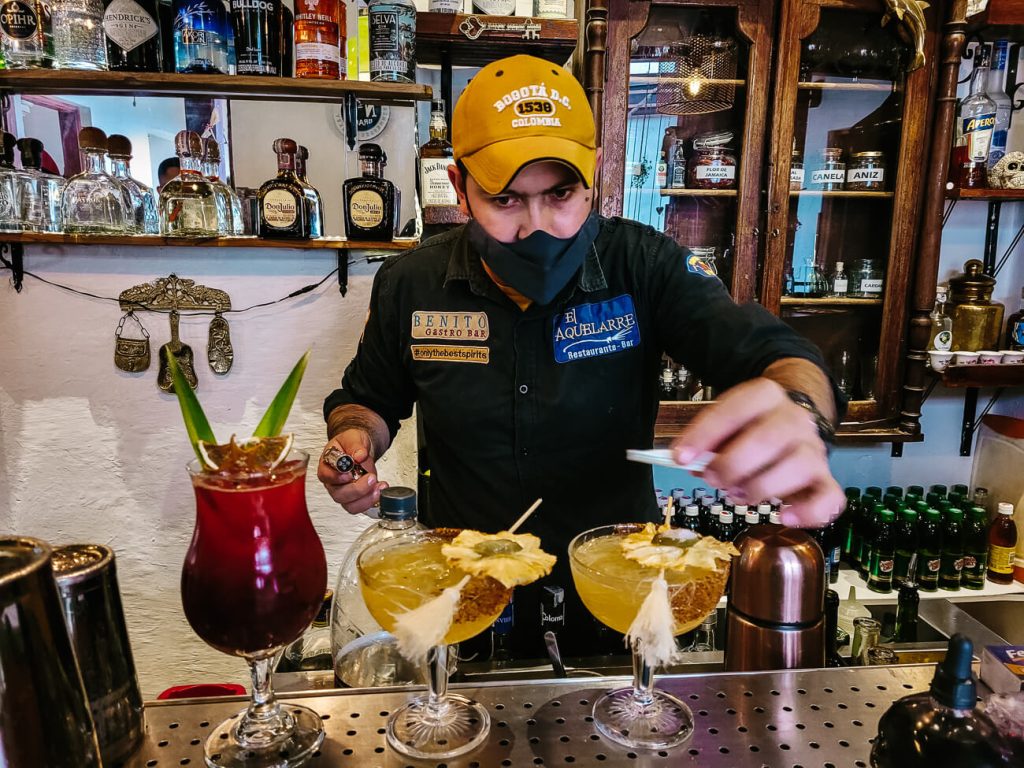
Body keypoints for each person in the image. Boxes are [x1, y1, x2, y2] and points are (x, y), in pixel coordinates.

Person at [320, 55, 845, 656]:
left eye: (562, 194)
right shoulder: (410, 283)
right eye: (506, 200)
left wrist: (799, 411)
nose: (538, 227)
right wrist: (354, 441)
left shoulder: (643, 266)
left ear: (592, 175)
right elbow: (367, 399)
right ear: (461, 187)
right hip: (466, 596)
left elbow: (778, 355)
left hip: (616, 593)